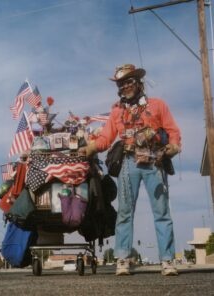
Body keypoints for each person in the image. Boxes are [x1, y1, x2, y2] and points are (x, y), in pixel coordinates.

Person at [79, 64, 181, 276]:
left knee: (161, 212)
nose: (125, 86)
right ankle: (123, 259)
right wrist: (90, 147)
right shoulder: (116, 110)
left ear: (138, 82)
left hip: (155, 161)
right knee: (125, 212)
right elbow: (106, 137)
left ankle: (168, 260)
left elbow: (172, 131)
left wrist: (173, 145)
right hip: (129, 161)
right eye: (121, 84)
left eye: (129, 81)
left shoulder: (158, 105)